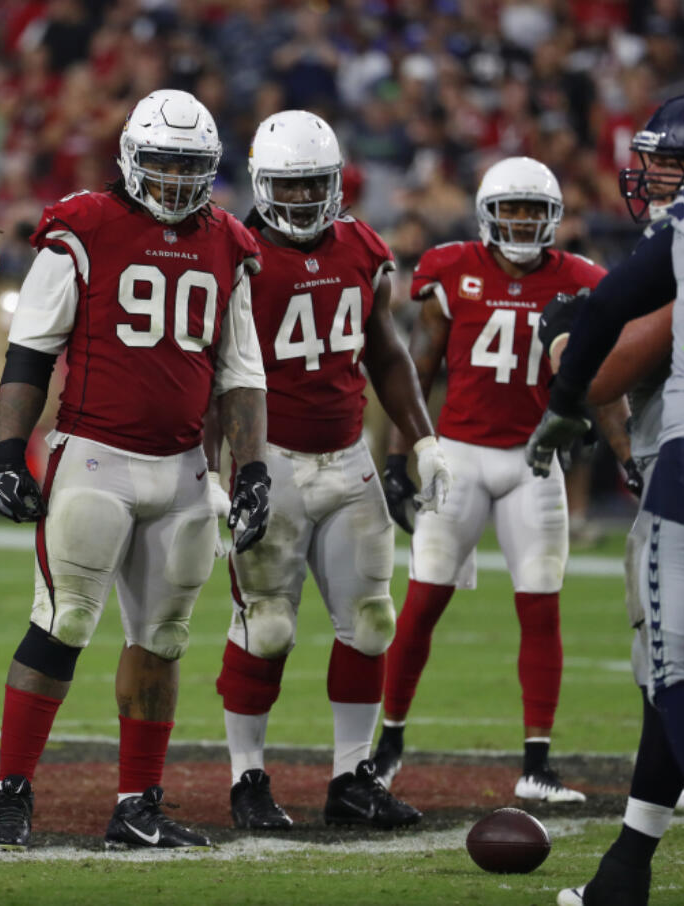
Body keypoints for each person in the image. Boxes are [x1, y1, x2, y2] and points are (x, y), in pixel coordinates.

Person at [0, 89, 271, 852]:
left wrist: (253, 470)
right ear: (132, 161)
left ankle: (138, 803)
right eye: (165, 162)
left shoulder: (230, 241)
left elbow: (241, 372)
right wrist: (9, 451)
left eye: (192, 165)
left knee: (165, 637)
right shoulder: (83, 226)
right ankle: (12, 793)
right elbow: (31, 349)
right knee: (65, 620)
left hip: (181, 468)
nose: (177, 178)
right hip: (95, 456)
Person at [209, 111, 448, 832]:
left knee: (372, 620)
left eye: (317, 184)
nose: (307, 199)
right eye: (291, 185)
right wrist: (215, 471)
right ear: (261, 183)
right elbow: (218, 374)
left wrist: (422, 437)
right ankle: (246, 778)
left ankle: (352, 778)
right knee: (269, 624)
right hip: (271, 461)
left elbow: (386, 350)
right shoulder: (237, 252)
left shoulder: (361, 248)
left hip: (348, 460)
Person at [376, 157, 607, 803]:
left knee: (540, 604)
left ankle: (536, 764)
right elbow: (418, 371)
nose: (525, 222)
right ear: (489, 215)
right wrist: (402, 456)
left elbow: (604, 368)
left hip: (533, 462)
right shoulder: (453, 271)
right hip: (459, 457)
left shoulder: (580, 280)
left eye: (536, 211)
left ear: (554, 218)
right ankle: (387, 746)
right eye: (514, 210)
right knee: (422, 603)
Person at [529, 96, 684, 906]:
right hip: (664, 460)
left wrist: (565, 344)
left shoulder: (682, 236)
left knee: (673, 672)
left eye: (670, 163)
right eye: (653, 161)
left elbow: (613, 364)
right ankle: (625, 869)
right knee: (666, 680)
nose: (654, 177)